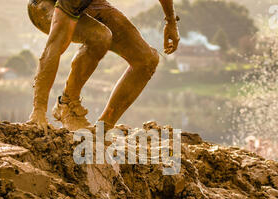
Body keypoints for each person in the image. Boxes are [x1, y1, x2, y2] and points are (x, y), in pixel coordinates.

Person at [27, 0, 180, 133]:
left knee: (147, 59)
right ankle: (67, 105)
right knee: (100, 36)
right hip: (44, 6)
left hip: (92, 4)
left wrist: (171, 22)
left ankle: (102, 130)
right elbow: (53, 47)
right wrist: (39, 109)